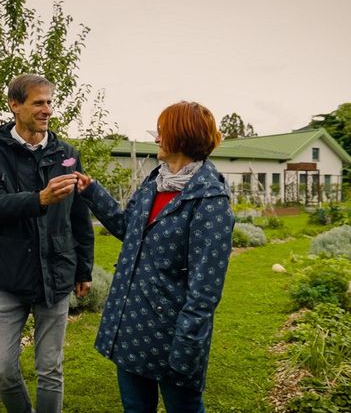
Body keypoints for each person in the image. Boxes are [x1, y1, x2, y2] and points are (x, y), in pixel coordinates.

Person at [75, 101, 233, 412]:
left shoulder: (210, 201)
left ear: (181, 136)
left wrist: (187, 346)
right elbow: (128, 229)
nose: (157, 139)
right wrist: (93, 191)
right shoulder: (154, 183)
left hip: (173, 333)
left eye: (162, 132)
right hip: (133, 324)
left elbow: (205, 289)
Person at [0, 74, 94, 413]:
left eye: (50, 102)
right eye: (38, 102)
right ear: (15, 105)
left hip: (55, 272)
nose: (47, 110)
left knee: (50, 370)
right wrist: (39, 198)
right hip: (8, 274)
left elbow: (79, 216)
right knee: (2, 371)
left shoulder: (66, 154)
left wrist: (83, 268)